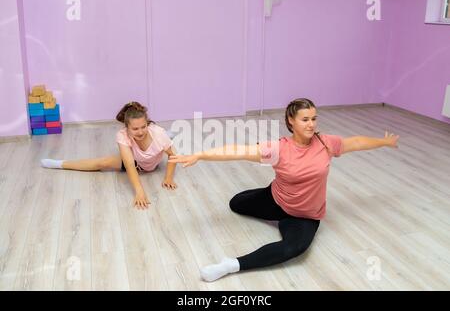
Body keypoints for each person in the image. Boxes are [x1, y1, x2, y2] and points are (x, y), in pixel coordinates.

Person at [169, 98, 399, 282]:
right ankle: (269, 200)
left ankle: (231, 265)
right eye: (305, 119)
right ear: (291, 121)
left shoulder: (326, 143)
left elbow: (356, 142)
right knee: (235, 203)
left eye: (314, 119)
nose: (311, 124)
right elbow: (239, 150)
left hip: (304, 215)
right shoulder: (279, 148)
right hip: (275, 200)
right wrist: (200, 155)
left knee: (294, 248)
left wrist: (384, 142)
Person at [41, 101, 177, 209]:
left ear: (147, 124)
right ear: (127, 128)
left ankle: (168, 135)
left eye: (143, 127)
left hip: (154, 158)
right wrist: (139, 191)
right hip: (137, 162)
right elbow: (129, 165)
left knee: (162, 137)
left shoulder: (157, 134)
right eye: (135, 129)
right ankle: (59, 163)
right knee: (103, 163)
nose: (140, 132)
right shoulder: (122, 135)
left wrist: (169, 178)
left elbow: (172, 155)